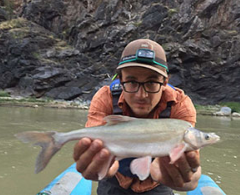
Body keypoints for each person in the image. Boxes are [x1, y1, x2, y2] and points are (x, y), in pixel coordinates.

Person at [73, 39, 201, 194]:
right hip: (115, 179)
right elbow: (92, 147)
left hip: (157, 182)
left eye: (152, 82)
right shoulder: (105, 98)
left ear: (165, 82)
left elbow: (192, 171)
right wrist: (97, 168)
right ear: (120, 80)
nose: (142, 95)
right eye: (132, 82)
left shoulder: (180, 105)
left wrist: (187, 180)